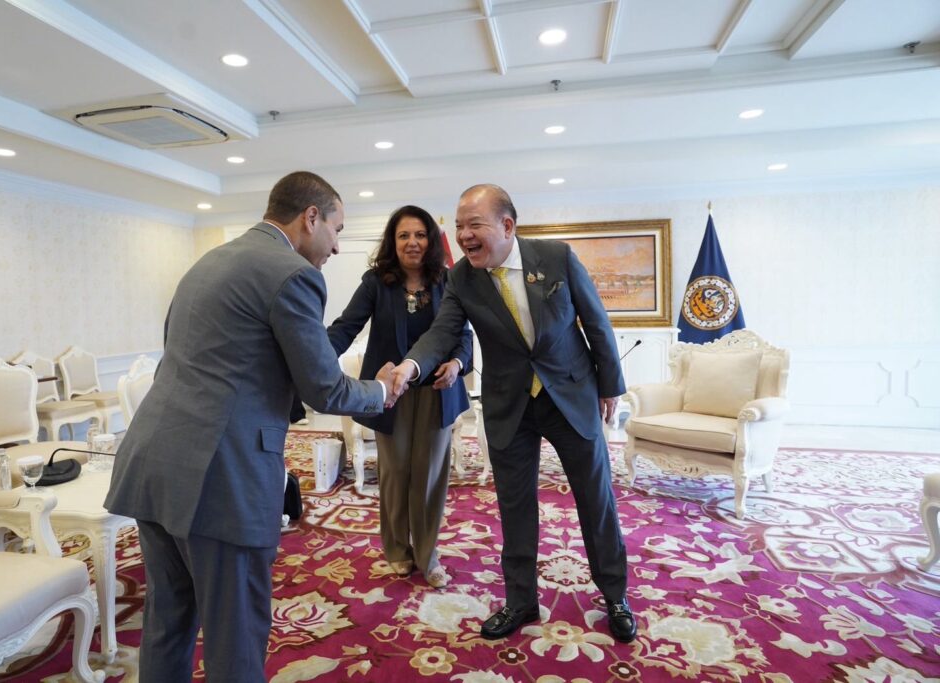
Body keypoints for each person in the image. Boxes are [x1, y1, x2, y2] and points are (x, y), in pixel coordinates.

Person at [104, 171, 396, 683]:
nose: (336, 245)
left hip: (151, 462)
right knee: (235, 634)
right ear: (311, 217)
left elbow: (194, 358)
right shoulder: (294, 273)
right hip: (220, 477)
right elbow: (324, 390)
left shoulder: (207, 262)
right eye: (337, 229)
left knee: (168, 623)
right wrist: (381, 390)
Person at [389, 184, 636, 643]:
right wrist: (410, 366)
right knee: (515, 506)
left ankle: (615, 595)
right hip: (510, 404)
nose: (464, 235)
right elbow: (442, 332)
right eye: (459, 226)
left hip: (570, 395)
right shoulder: (462, 278)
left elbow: (596, 321)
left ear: (507, 225)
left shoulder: (557, 257)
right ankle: (521, 601)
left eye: (474, 225)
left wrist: (610, 385)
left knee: (595, 499)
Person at [327, 205, 473, 589]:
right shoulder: (376, 283)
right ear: (393, 242)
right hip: (390, 395)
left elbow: (463, 335)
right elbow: (346, 327)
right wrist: (313, 358)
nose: (412, 242)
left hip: (437, 393)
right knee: (394, 475)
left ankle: (427, 555)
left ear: (431, 240)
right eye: (404, 235)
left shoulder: (448, 280)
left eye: (420, 235)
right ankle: (396, 550)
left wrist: (457, 363)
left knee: (429, 476)